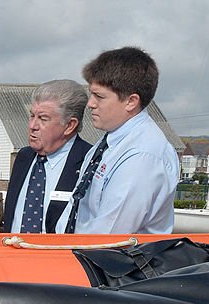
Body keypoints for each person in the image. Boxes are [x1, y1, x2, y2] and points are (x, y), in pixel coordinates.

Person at [58, 47, 179, 234]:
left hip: (106, 259)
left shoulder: (142, 155)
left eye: (99, 96)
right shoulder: (108, 143)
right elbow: (78, 205)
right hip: (78, 255)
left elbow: (110, 234)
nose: (90, 104)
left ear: (131, 101)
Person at [4, 80, 91, 233]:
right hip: (13, 254)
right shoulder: (23, 157)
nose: (33, 126)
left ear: (70, 125)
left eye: (43, 119)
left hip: (60, 255)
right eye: (32, 116)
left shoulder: (89, 161)